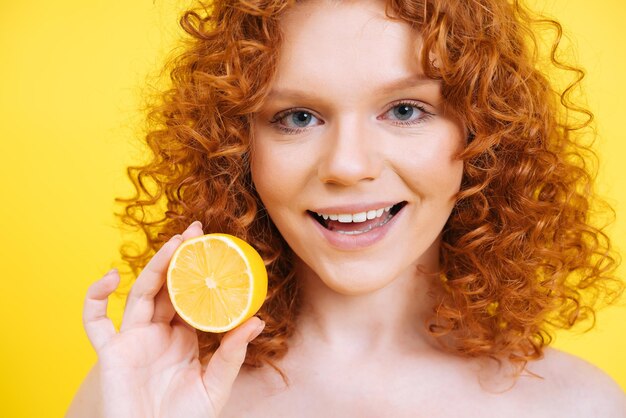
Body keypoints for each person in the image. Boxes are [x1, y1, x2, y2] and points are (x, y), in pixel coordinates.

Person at [67, 0, 626, 416]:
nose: (348, 165)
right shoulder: (137, 396)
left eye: (405, 110)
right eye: (298, 117)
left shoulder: (580, 405)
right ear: (237, 150)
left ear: (484, 132)